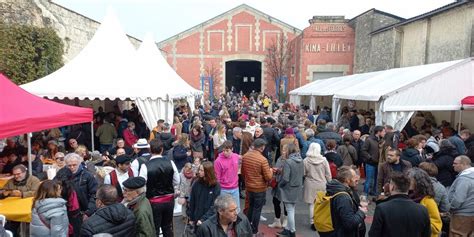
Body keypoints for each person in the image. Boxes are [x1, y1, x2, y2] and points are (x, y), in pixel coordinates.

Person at [368, 172, 431, 237]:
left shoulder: (382, 208)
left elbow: (374, 234)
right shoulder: (422, 210)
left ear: (392, 187)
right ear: (408, 188)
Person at [139, 139, 180, 237]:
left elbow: (142, 186)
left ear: (150, 150)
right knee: (167, 227)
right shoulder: (170, 163)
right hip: (169, 200)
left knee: (155, 228)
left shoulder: (145, 166)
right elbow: (177, 181)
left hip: (153, 201)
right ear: (162, 149)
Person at [318, 166, 366, 237]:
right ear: (347, 180)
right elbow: (349, 223)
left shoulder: (334, 188)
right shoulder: (343, 198)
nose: (357, 179)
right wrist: (361, 213)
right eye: (354, 177)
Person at [241, 138, 273, 235]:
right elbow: (268, 177)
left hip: (249, 186)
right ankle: (254, 230)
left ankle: (248, 227)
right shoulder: (263, 160)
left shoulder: (245, 156)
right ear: (262, 147)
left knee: (250, 207)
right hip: (259, 188)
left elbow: (243, 172)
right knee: (257, 210)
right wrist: (271, 171)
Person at [276, 143, 304, 237]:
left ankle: (292, 231)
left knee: (290, 210)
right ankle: (288, 229)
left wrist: (280, 185)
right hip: (297, 186)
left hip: (288, 188)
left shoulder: (288, 161)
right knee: (292, 209)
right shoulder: (301, 160)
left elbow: (285, 178)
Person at [303, 143, 331, 229]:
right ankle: (320, 221)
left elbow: (303, 173)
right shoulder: (324, 160)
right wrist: (329, 183)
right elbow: (328, 174)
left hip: (310, 184)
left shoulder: (306, 160)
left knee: (311, 204)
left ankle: (312, 222)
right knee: (321, 204)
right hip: (322, 183)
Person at [54, 167, 88, 237]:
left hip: (58, 218)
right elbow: (85, 205)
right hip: (75, 219)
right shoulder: (76, 188)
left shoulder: (54, 189)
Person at [407, 168, 442, 237]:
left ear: (418, 182)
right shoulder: (407, 196)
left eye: (409, 179)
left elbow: (436, 227)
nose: (407, 182)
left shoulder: (428, 201)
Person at [64, 153, 98, 221]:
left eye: (74, 165)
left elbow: (94, 195)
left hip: (84, 211)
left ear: (79, 164)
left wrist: (88, 212)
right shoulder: (62, 175)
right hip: (67, 212)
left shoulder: (87, 175)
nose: (72, 167)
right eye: (69, 165)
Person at [188, 161, 221, 226]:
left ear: (208, 172)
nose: (199, 172)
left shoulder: (216, 186)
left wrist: (203, 219)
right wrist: (191, 218)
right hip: (197, 218)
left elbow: (215, 206)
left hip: (210, 220)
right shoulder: (196, 183)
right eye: (199, 169)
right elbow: (192, 201)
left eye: (201, 170)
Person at [448, 155, 474, 236]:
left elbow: (458, 199)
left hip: (461, 215)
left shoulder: (464, 179)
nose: (453, 165)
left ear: (464, 164)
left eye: (455, 163)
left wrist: (450, 208)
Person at [214, 141, 241, 212]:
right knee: (225, 211)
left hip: (235, 188)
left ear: (232, 149)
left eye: (227, 150)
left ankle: (235, 223)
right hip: (224, 189)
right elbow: (217, 178)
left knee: (236, 210)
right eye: (224, 150)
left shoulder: (236, 156)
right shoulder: (218, 161)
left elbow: (242, 159)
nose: (225, 152)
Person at [361, 125, 386, 196]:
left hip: (378, 163)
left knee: (377, 180)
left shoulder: (381, 140)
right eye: (383, 131)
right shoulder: (369, 140)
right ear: (378, 132)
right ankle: (364, 195)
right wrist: (370, 158)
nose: (384, 133)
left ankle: (374, 192)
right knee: (369, 180)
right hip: (370, 163)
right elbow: (363, 150)